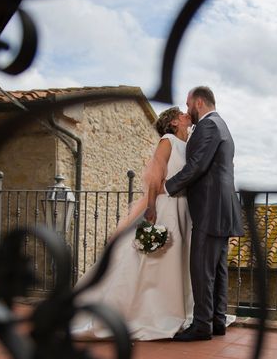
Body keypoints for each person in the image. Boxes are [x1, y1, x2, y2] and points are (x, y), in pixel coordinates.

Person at [70, 107, 194, 340]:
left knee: (177, 260)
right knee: (157, 259)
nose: (186, 115)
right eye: (182, 114)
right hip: (167, 205)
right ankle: (145, 311)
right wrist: (151, 208)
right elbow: (155, 178)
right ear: (174, 123)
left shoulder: (189, 144)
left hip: (184, 208)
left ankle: (174, 308)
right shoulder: (167, 141)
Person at [165, 86, 244, 341]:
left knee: (201, 268)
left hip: (211, 207)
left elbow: (197, 166)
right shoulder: (222, 125)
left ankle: (201, 326)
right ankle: (217, 321)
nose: (187, 109)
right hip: (221, 206)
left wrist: (168, 187)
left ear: (198, 102)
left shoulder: (210, 126)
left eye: (188, 104)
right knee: (218, 269)